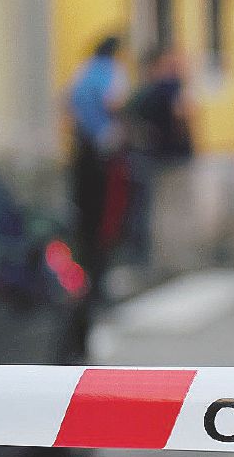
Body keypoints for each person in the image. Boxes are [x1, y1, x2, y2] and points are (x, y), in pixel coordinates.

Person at [66, 34, 129, 299]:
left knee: (84, 220)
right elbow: (114, 103)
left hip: (81, 152)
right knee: (106, 220)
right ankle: (99, 283)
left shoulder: (81, 72)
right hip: (105, 154)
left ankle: (83, 280)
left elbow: (68, 104)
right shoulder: (113, 72)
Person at [123, 46, 193, 270]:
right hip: (169, 157)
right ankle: (172, 260)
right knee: (171, 210)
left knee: (160, 211)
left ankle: (164, 259)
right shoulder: (168, 90)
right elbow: (183, 115)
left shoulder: (144, 93)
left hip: (158, 156)